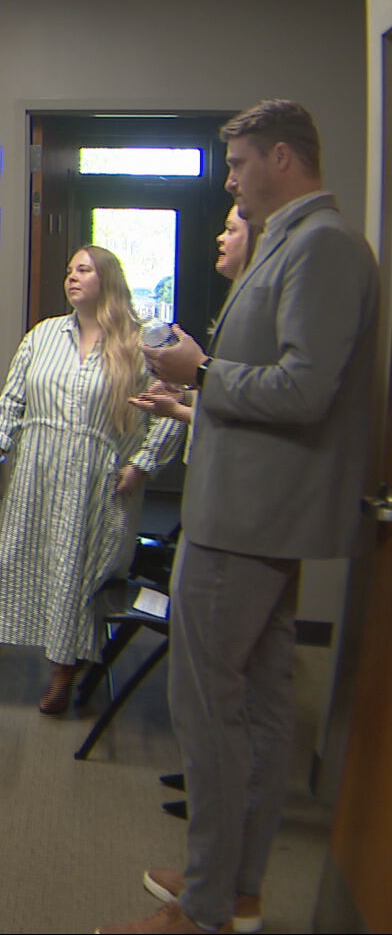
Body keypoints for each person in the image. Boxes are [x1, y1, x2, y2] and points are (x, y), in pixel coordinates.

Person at [106, 100, 380, 935]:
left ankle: (205, 907)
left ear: (282, 158)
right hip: (252, 513)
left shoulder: (322, 246)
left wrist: (203, 371)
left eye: (237, 165)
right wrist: (201, 386)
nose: (229, 182)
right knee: (256, 708)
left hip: (248, 520)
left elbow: (304, 389)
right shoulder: (295, 243)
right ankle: (236, 890)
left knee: (208, 710)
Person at [0, 245, 184, 714]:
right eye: (69, 270)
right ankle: (51, 654)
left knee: (77, 568)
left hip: (95, 478)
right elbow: (13, 397)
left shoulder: (137, 344)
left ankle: (64, 668)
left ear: (107, 279)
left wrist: (141, 463)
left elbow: (173, 408)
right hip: (37, 468)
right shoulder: (43, 335)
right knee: (31, 560)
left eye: (84, 270)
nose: (72, 276)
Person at [131, 205, 263, 428]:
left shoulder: (259, 315)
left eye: (231, 230)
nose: (220, 238)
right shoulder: (238, 303)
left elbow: (254, 408)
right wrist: (184, 397)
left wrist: (196, 373)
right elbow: (229, 395)